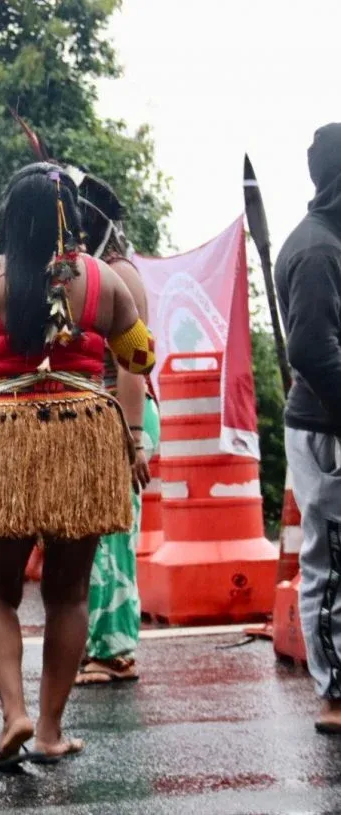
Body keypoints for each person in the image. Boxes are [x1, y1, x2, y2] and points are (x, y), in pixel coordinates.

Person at [0, 163, 154, 769]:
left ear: (8, 220)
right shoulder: (102, 279)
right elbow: (141, 356)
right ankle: (48, 731)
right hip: (82, 437)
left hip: (5, 438)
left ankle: (13, 712)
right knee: (68, 594)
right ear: (72, 218)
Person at [73, 175, 158, 686]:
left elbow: (131, 366)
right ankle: (94, 644)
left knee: (113, 535)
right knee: (91, 533)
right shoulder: (91, 272)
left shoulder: (119, 274)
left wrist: (132, 438)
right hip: (96, 416)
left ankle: (115, 651)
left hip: (124, 415)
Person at [276, 122, 341, 736]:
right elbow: (312, 351)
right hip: (327, 427)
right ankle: (336, 693)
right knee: (333, 563)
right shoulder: (319, 250)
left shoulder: (330, 240)